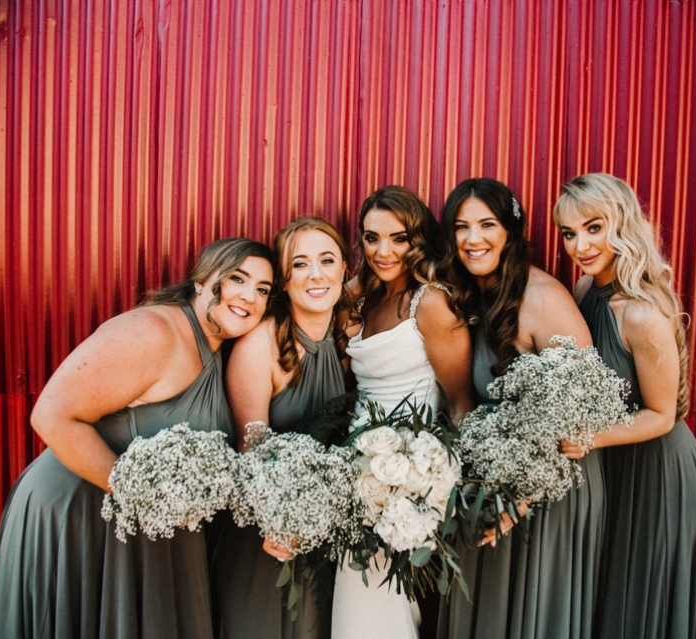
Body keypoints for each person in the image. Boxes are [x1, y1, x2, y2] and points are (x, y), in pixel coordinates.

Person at [0, 238, 275, 639]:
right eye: (237, 279)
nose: (249, 296)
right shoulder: (155, 332)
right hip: (79, 517)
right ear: (199, 281)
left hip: (135, 531)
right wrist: (147, 498)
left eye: (262, 289)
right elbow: (51, 415)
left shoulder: (216, 351)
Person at [436, 177, 604, 639]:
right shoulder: (469, 294)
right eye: (461, 227)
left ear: (510, 230)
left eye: (487, 224)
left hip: (550, 490)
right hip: (495, 485)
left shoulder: (543, 298)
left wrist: (519, 498)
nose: (473, 239)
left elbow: (580, 410)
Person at [553, 172, 696, 639]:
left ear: (621, 224)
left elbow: (663, 415)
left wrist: (586, 439)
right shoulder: (586, 290)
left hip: (662, 478)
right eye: (569, 232)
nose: (580, 245)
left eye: (594, 227)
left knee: (643, 615)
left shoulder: (643, 313)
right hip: (617, 471)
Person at [331, 186, 475, 639]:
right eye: (371, 238)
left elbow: (459, 402)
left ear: (419, 240)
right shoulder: (362, 296)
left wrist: (439, 487)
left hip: (405, 480)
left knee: (378, 601)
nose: (383, 250)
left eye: (399, 238)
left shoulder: (430, 303)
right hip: (354, 470)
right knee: (353, 596)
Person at [215, 217, 353, 639]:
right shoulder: (261, 346)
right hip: (268, 533)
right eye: (300, 264)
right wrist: (278, 521)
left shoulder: (350, 336)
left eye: (327, 260)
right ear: (283, 280)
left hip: (329, 531)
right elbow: (250, 452)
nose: (317, 275)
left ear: (345, 270)